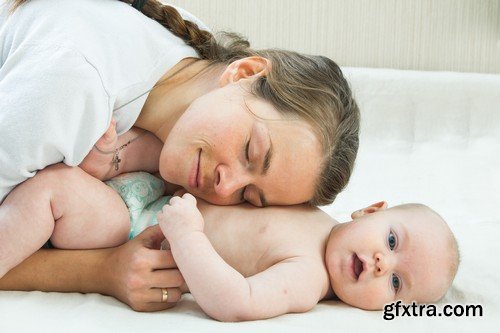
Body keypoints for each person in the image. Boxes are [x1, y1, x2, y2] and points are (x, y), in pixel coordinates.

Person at [0, 0, 359, 310]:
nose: (225, 186)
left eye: (248, 197)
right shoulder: (69, 89)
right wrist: (101, 270)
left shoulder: (191, 58)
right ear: (245, 72)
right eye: (251, 151)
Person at [7, 170, 460, 321]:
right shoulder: (308, 203)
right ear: (370, 210)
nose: (383, 263)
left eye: (398, 282)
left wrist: (187, 236)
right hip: (150, 189)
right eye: (392, 240)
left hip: (130, 228)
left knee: (54, 190)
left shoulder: (307, 277)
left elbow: (236, 302)